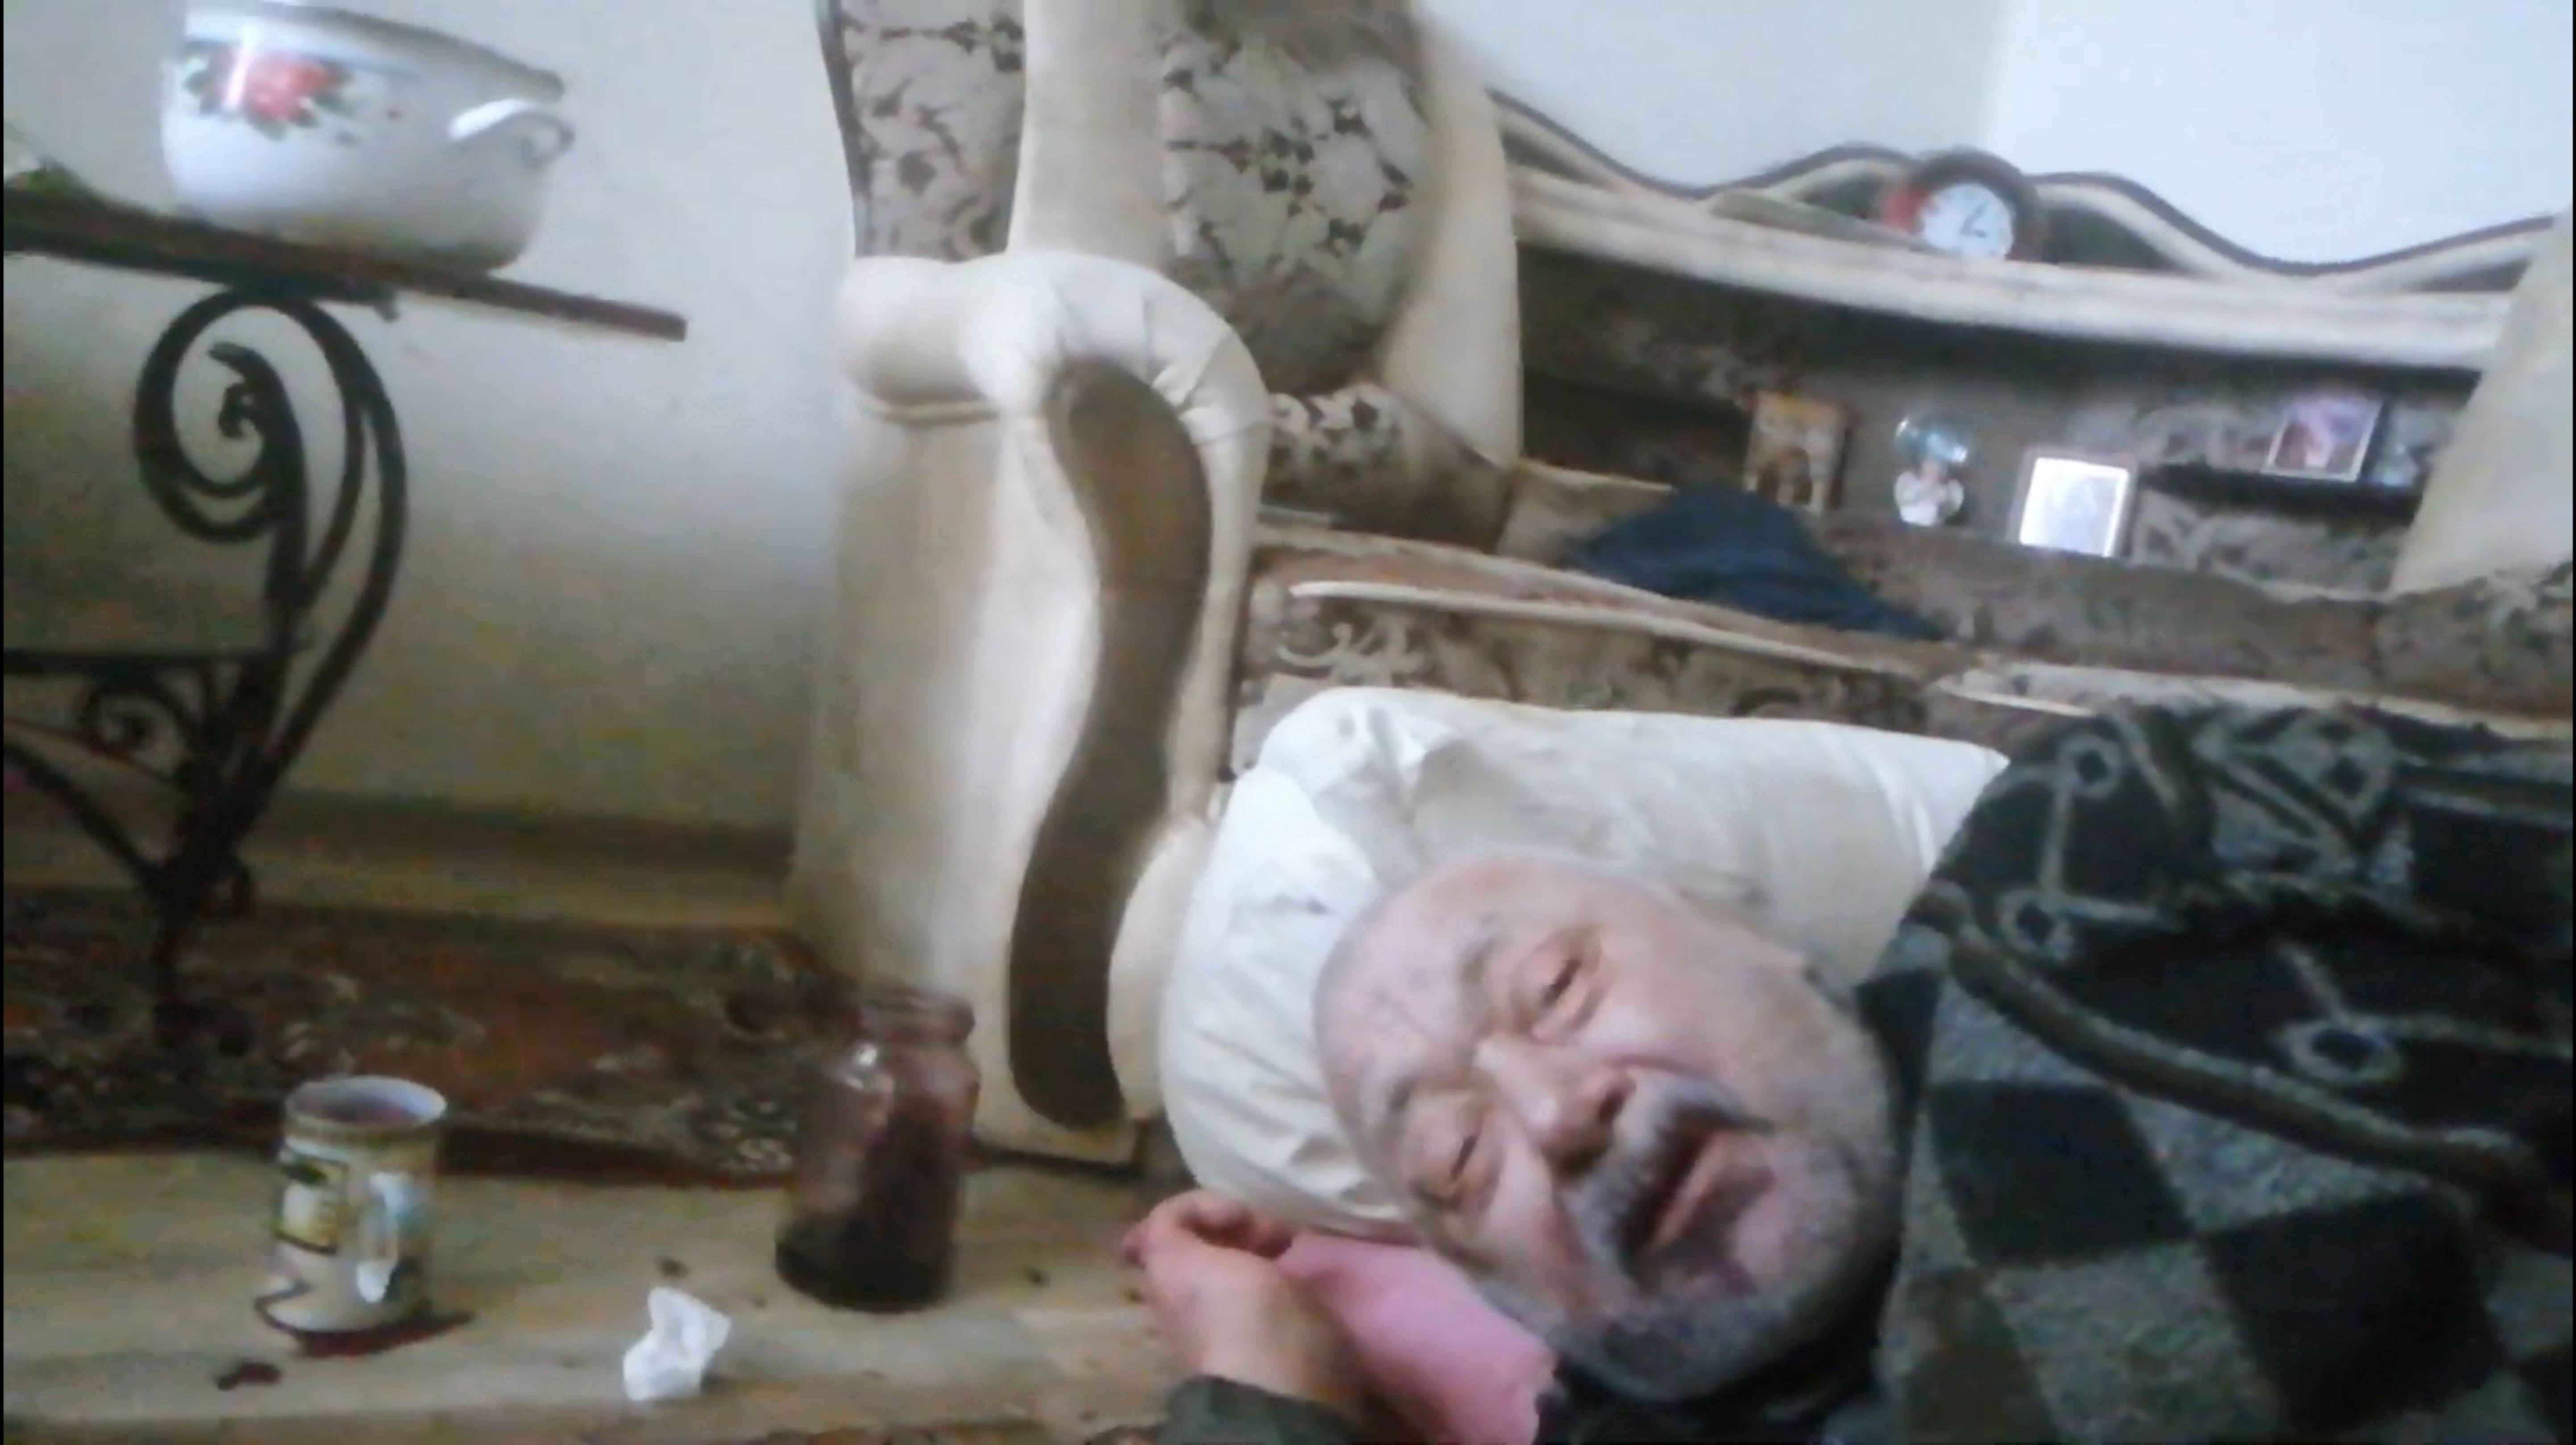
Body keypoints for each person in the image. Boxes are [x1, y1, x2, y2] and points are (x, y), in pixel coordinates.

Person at [1126, 704, 2574, 1443]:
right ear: (1508, 1297)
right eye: (1459, 1158)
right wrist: (1263, 1385)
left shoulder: (2114, 829)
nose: (1557, 1114)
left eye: (1558, 987)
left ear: (1761, 941)